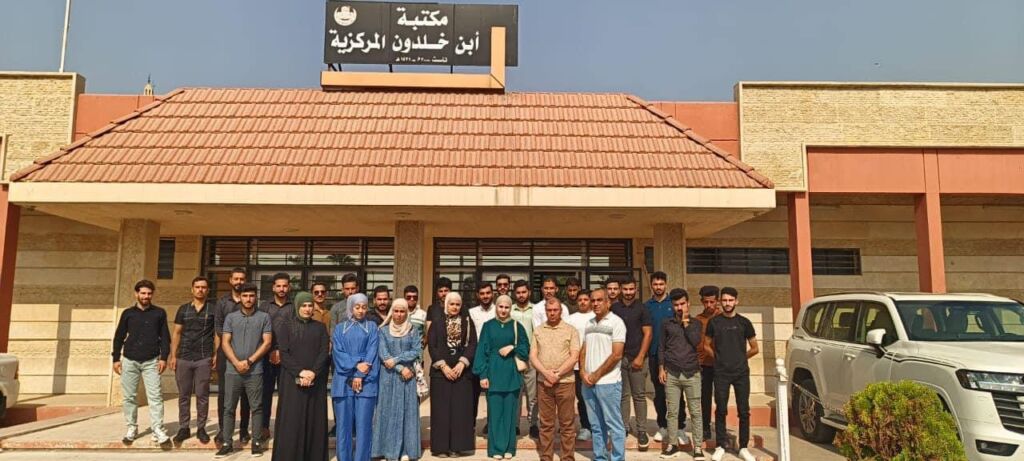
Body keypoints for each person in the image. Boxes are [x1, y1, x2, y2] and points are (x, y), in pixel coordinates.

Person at [112, 279, 171, 446]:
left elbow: (165, 337)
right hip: (129, 360)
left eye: (149, 293)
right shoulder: (127, 313)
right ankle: (131, 427)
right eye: (143, 293)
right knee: (129, 397)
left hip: (151, 361)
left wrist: (164, 358)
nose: (146, 296)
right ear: (136, 294)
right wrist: (116, 359)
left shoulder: (159, 313)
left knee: (155, 396)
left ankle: (157, 429)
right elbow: (119, 337)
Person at [271, 292, 329, 461]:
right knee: (292, 419)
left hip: (315, 381)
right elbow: (284, 353)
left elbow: (324, 352)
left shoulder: (320, 327)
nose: (307, 309)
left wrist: (313, 373)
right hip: (291, 380)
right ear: (297, 306)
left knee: (314, 418)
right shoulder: (286, 326)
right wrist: (300, 372)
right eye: (304, 305)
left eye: (310, 305)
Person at [217, 283, 273, 458]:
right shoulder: (231, 317)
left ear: (256, 297)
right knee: (229, 407)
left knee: (256, 407)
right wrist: (236, 362)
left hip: (255, 370)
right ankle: (227, 443)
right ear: (240, 297)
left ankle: (256, 443)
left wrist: (249, 361)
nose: (248, 299)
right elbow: (225, 342)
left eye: (251, 296)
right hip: (232, 370)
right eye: (245, 296)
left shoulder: (264, 317)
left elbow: (267, 342)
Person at [705, 287, 758, 461]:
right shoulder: (714, 322)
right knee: (721, 409)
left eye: (730, 300)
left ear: (736, 301)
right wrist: (718, 359)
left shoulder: (744, 323)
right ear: (720, 302)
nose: (727, 303)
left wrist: (741, 358)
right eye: (724, 300)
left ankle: (743, 447)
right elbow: (706, 345)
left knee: (744, 410)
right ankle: (720, 445)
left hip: (741, 373)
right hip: (721, 373)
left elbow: (755, 348)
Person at [473, 294, 527, 460]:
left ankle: (509, 447)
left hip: (511, 372)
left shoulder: (517, 326)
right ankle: (496, 448)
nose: (503, 310)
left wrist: (512, 347)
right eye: (500, 306)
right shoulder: (488, 326)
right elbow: (481, 351)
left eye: (507, 307)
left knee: (510, 413)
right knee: (495, 413)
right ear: (496, 307)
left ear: (511, 308)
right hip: (493, 373)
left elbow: (526, 348)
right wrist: (483, 375)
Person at [371, 299, 423, 461]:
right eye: (396, 311)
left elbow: (416, 350)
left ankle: (406, 450)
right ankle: (385, 449)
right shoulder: (383, 331)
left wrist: (397, 360)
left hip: (408, 377)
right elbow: (383, 354)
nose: (399, 314)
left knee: (407, 412)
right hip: (389, 376)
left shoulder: (413, 330)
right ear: (391, 312)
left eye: (402, 311)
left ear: (407, 313)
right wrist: (400, 368)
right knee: (387, 411)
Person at [530, 298, 581, 461]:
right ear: (545, 311)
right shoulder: (538, 330)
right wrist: (546, 374)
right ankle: (546, 456)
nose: (552, 313)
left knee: (567, 424)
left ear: (561, 311)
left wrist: (557, 375)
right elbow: (533, 356)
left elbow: (574, 357)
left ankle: (567, 457)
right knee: (546, 423)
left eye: (555, 310)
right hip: (543, 383)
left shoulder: (571, 330)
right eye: (549, 310)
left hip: (566, 383)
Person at [428, 292, 478, 457]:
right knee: (441, 411)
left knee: (460, 410)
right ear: (446, 305)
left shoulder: (467, 322)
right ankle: (441, 448)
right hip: (441, 373)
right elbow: (432, 346)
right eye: (452, 304)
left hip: (462, 372)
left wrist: (462, 363)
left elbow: (473, 344)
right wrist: (443, 366)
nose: (455, 307)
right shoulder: (436, 322)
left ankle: (458, 446)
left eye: (457, 304)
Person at [579, 288, 626, 461]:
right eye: (593, 300)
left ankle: (617, 458)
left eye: (599, 300)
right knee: (596, 425)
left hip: (608, 383)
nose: (595, 303)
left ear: (608, 302)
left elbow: (617, 355)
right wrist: (583, 372)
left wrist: (596, 375)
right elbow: (584, 350)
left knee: (614, 424)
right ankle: (600, 457)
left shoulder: (617, 322)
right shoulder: (589, 323)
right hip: (588, 383)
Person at [658, 290, 705, 460]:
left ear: (688, 304)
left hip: (692, 373)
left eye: (682, 304)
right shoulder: (666, 323)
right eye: (676, 304)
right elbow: (661, 347)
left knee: (696, 412)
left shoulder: (696, 323)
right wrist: (661, 368)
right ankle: (672, 445)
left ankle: (698, 447)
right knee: (672, 412)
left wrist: (685, 323)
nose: (679, 307)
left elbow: (695, 341)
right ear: (672, 306)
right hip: (672, 373)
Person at [332, 294, 379, 461]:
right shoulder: (340, 328)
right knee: (343, 425)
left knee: (364, 425)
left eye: (364, 307)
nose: (360, 311)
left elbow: (373, 352)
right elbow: (338, 354)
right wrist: (356, 364)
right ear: (350, 308)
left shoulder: (372, 327)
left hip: (366, 381)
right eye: (357, 307)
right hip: (343, 381)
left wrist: (359, 375)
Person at [169, 276, 216, 444]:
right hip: (184, 357)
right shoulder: (183, 309)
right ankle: (184, 428)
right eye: (197, 287)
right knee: (184, 395)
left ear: (208, 290)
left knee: (202, 394)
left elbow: (217, 334)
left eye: (203, 287)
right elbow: (177, 333)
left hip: (204, 357)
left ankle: (201, 428)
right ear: (192, 289)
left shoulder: (213, 309)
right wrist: (173, 356)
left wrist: (216, 355)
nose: (200, 290)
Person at [611, 275, 653, 451]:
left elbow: (648, 333)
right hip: (620, 358)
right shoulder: (614, 308)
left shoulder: (642, 308)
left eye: (631, 289)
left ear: (636, 289)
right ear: (621, 290)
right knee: (623, 395)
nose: (628, 292)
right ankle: (624, 427)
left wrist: (640, 357)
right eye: (625, 289)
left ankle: (642, 430)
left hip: (638, 358)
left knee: (639, 395)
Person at [645, 272, 684, 446]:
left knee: (677, 392)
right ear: (651, 285)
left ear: (666, 284)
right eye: (655, 284)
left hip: (674, 355)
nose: (658, 287)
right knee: (659, 393)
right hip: (654, 354)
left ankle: (680, 426)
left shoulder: (673, 304)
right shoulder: (647, 306)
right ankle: (663, 426)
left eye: (661, 284)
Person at [214, 268, 251, 446]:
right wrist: (219, 351)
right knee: (224, 392)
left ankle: (243, 430)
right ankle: (223, 429)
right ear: (230, 280)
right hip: (226, 352)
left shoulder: (251, 301)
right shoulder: (222, 303)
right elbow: (218, 328)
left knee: (246, 393)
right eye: (236, 279)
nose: (239, 282)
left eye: (242, 279)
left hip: (247, 352)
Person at [258, 272, 294, 441]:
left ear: (289, 287)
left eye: (284, 286)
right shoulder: (264, 307)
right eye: (278, 286)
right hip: (266, 357)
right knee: (265, 394)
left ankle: (284, 428)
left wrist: (281, 351)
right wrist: (271, 350)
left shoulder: (294, 307)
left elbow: (296, 332)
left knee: (286, 395)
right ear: (273, 287)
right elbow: (258, 331)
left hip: (288, 357)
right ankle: (264, 427)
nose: (281, 289)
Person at [510, 279, 539, 438]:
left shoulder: (536, 310)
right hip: (513, 357)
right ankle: (515, 425)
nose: (521, 295)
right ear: (515, 294)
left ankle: (533, 424)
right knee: (515, 393)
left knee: (532, 394)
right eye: (518, 292)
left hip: (531, 357)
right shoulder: (510, 310)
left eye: (524, 292)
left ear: (529, 293)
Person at [565, 290, 595, 441]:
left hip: (595, 364)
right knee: (582, 397)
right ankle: (585, 427)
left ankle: (599, 426)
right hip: (576, 366)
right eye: (580, 300)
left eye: (585, 299)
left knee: (598, 397)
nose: (583, 302)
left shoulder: (597, 317)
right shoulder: (571, 319)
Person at [468, 282, 497, 433]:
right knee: (472, 394)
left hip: (493, 359)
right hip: (475, 358)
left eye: (488, 293)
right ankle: (471, 424)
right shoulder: (471, 312)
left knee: (492, 394)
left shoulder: (498, 311)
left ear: (493, 294)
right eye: (482, 293)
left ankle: (491, 424)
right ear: (477, 295)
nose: (485, 296)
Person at [696, 286, 720, 442]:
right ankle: (705, 427)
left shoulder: (723, 317)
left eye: (712, 302)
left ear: (717, 301)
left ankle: (720, 427)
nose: (709, 305)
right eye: (706, 302)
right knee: (704, 397)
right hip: (703, 364)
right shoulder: (698, 319)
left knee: (721, 397)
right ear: (702, 301)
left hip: (721, 364)